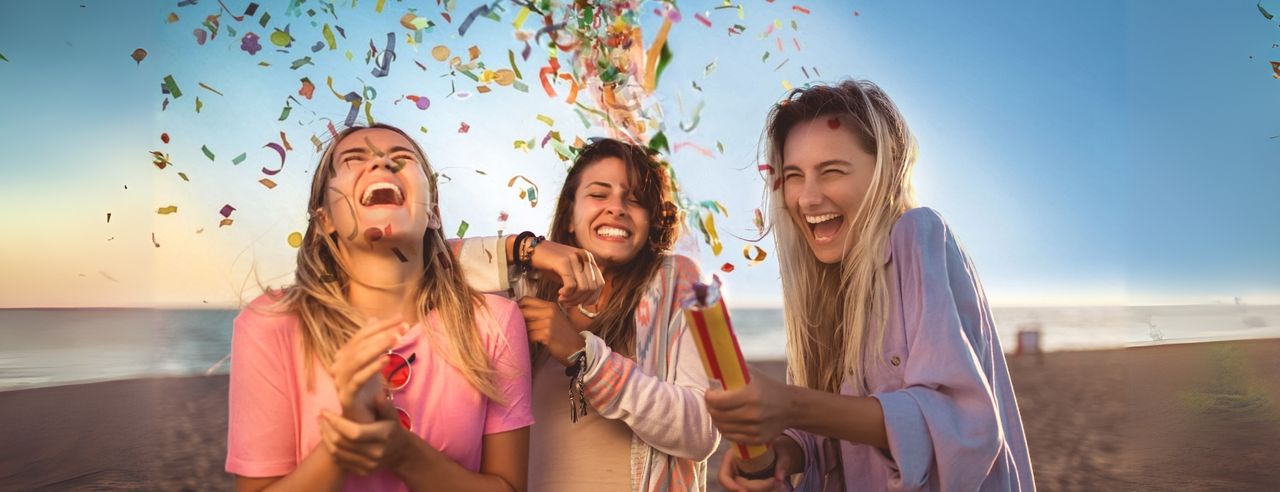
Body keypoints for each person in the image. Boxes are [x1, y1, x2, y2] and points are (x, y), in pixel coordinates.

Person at [322, 137, 723, 491]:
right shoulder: (523, 287)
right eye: (599, 194)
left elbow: (702, 431)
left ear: (651, 220)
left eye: (635, 200)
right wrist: (525, 248)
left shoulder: (677, 279)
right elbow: (417, 260)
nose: (616, 208)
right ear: (570, 213)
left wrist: (586, 357)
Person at [705, 81, 1035, 491]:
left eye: (831, 172)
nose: (807, 199)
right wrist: (783, 451)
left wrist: (790, 406)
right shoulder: (823, 284)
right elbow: (834, 434)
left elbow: (960, 423)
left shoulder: (917, 234)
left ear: (887, 169)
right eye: (793, 176)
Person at [225, 124, 532, 492]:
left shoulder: (495, 322)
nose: (382, 163)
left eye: (402, 159)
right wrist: (343, 446)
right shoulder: (272, 323)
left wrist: (402, 451)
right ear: (325, 221)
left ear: (433, 214)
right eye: (355, 159)